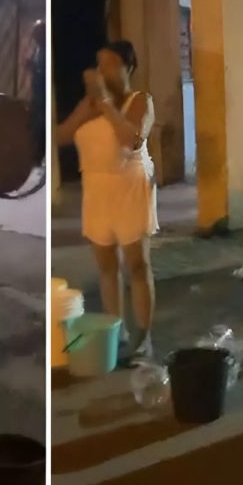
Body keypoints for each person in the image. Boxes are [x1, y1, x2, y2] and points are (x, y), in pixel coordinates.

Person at [57, 40, 158, 363]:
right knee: (106, 267)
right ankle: (117, 331)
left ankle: (144, 339)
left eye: (110, 64)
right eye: (99, 65)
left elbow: (132, 139)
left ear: (128, 67)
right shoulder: (91, 104)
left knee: (137, 265)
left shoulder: (139, 101)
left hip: (129, 188)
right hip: (96, 190)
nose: (102, 72)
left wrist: (104, 103)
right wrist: (91, 106)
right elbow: (60, 136)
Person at [27, 19, 47, 165]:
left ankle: (38, 155)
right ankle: (36, 154)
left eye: (37, 34)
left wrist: (34, 68)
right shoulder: (39, 49)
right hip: (37, 93)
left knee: (41, 125)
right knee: (36, 124)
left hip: (43, 94)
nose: (34, 37)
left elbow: (44, 72)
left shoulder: (45, 50)